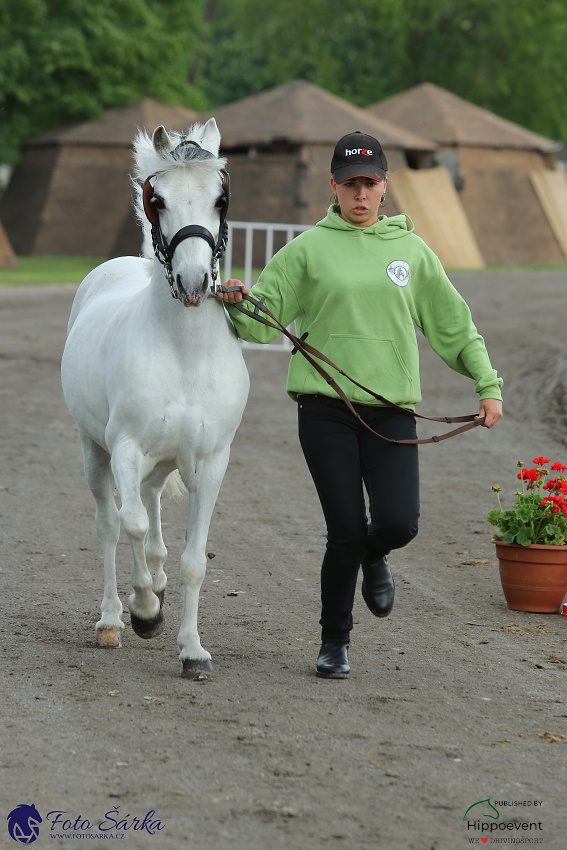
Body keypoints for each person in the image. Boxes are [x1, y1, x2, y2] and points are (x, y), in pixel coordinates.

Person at [217, 130, 502, 679]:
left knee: (399, 523)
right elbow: (263, 316)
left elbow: (453, 326)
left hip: (390, 410)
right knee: (344, 528)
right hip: (325, 411)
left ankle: (378, 555)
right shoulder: (306, 251)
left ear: (385, 186)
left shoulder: (412, 253)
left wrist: (486, 383)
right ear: (333, 186)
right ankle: (334, 642)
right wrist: (237, 301)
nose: (361, 194)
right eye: (351, 184)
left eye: (370, 183)